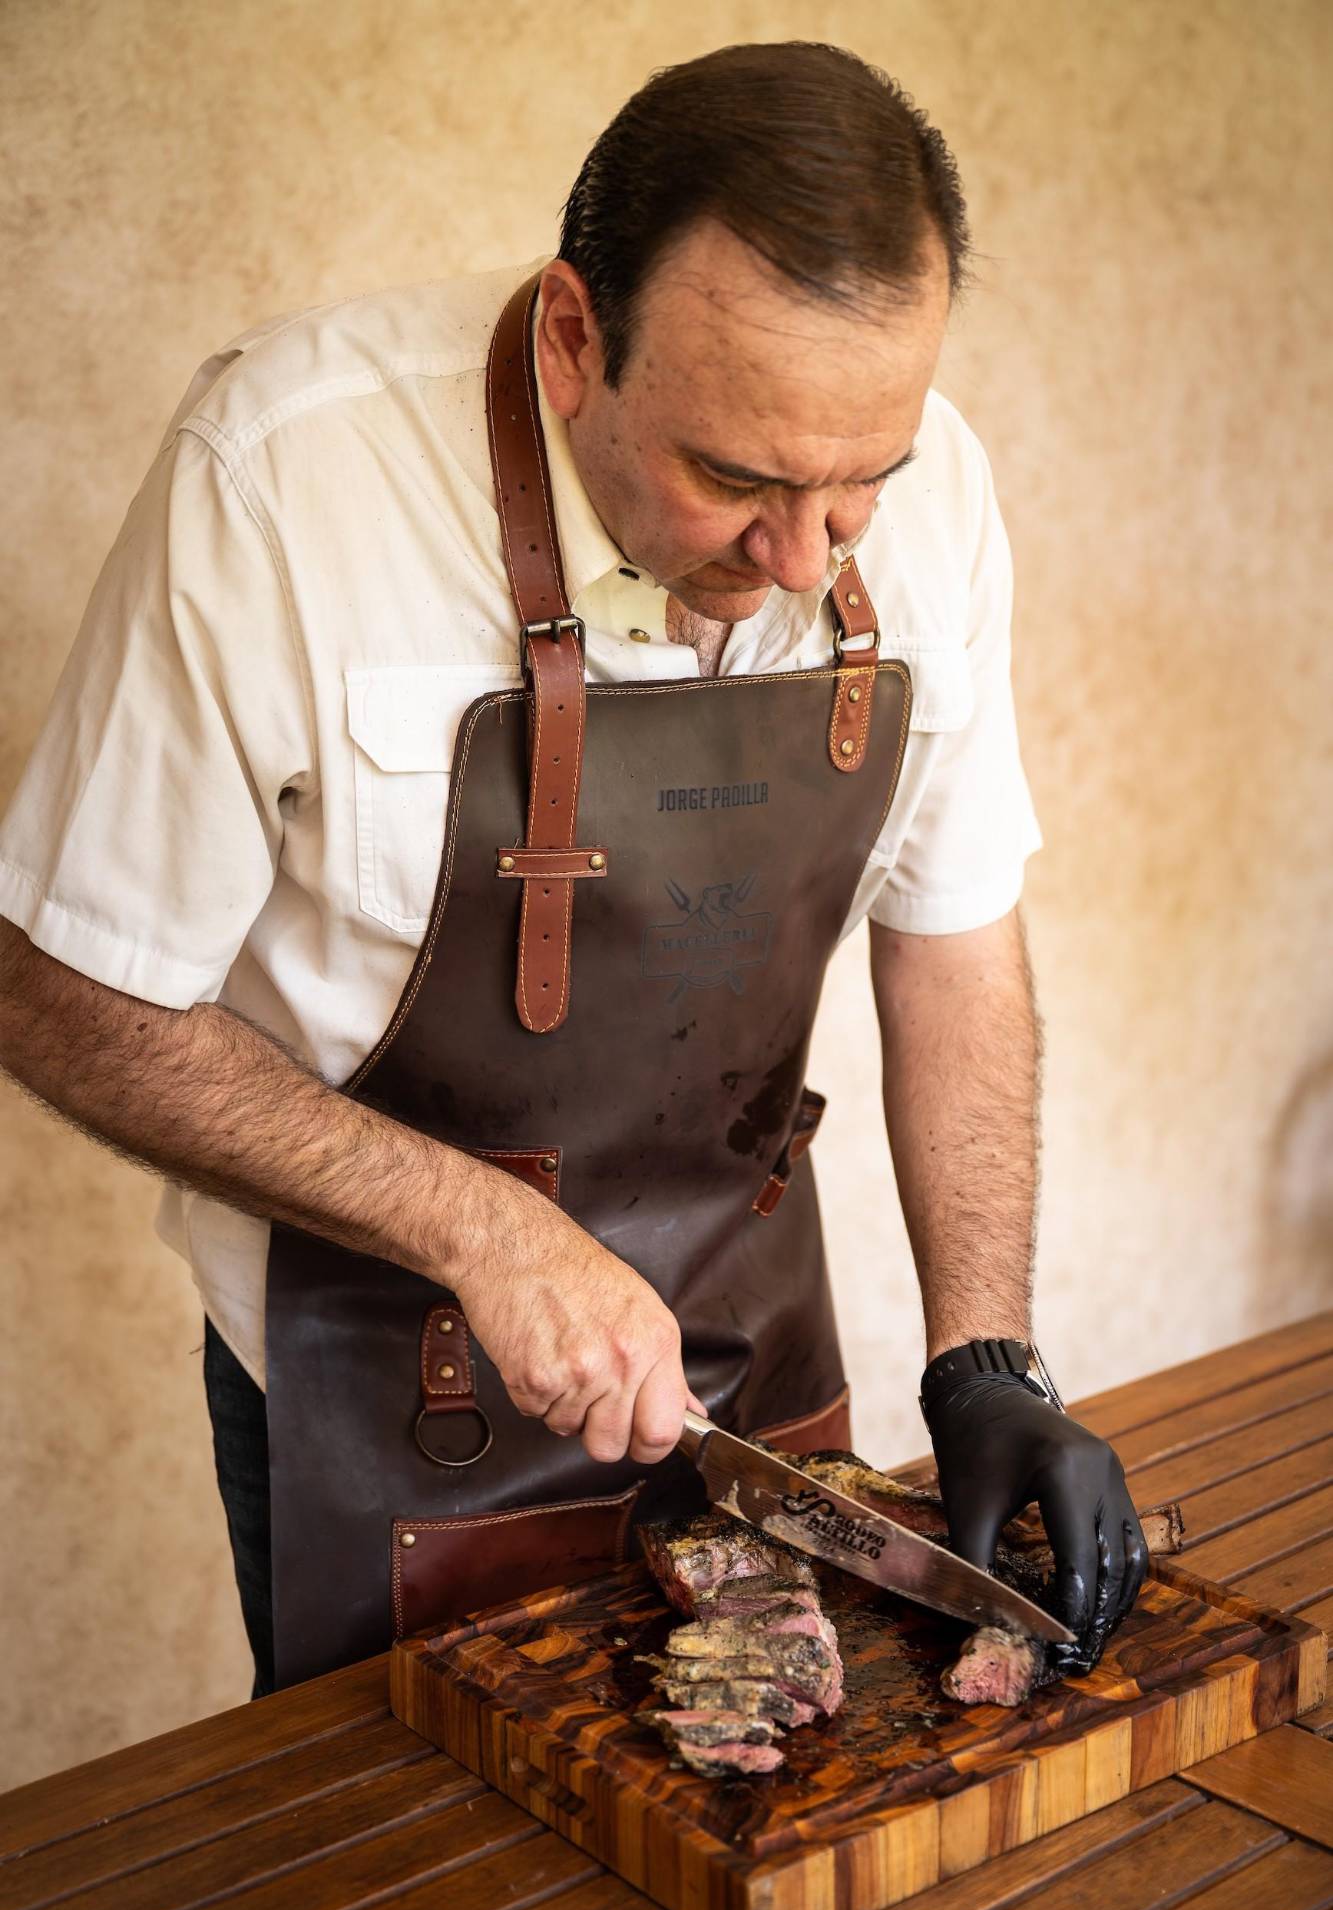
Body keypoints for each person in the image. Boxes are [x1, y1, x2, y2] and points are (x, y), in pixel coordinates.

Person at [0, 41, 1147, 1696]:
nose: (799, 563)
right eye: (737, 483)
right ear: (570, 340)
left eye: (857, 494)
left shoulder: (932, 478)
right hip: (383, 1396)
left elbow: (950, 928)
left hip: (754, 1371)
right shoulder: (285, 478)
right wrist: (483, 1232)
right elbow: (64, 990)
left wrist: (984, 1355)